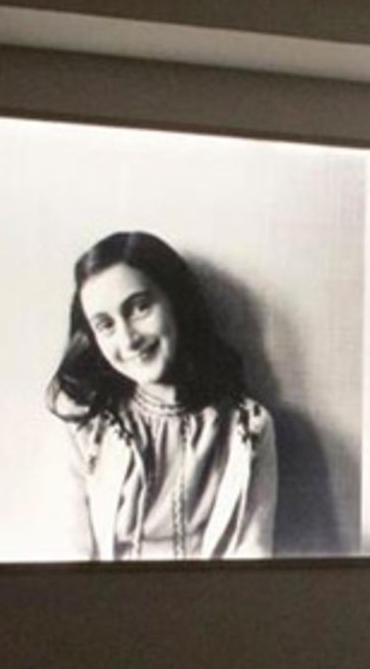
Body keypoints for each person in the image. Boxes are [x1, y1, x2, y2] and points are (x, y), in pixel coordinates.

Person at [47, 230, 276, 560]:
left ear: (177, 301)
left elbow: (254, 553)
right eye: (105, 325)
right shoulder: (83, 427)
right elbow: (71, 559)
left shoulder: (249, 427)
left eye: (139, 308)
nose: (127, 339)